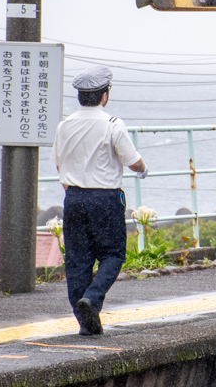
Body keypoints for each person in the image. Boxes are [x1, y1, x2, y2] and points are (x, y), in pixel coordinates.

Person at [52, 67, 147, 335]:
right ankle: (92, 299)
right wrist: (143, 169)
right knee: (113, 254)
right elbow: (132, 161)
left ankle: (85, 321)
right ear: (104, 96)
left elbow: (59, 164)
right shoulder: (112, 124)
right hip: (104, 197)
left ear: (81, 97)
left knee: (78, 259)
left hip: (73, 196)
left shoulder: (64, 125)